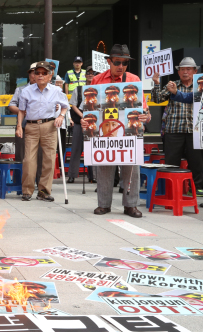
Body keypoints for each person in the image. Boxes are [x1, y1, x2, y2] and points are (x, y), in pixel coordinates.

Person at [80, 44, 151, 218]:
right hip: (105, 131)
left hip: (130, 131)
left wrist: (145, 117)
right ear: (109, 61)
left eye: (125, 63)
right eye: (117, 62)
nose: (121, 66)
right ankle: (104, 204)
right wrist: (85, 120)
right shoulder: (97, 80)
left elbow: (146, 112)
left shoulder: (134, 80)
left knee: (131, 168)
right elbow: (90, 108)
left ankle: (131, 205)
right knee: (104, 167)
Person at [16, 61, 68, 202]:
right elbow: (21, 111)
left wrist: (61, 116)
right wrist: (19, 126)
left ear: (50, 76)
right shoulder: (26, 91)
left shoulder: (56, 90)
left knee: (49, 159)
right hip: (32, 126)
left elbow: (65, 106)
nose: (40, 75)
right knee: (29, 160)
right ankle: (27, 190)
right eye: (37, 73)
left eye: (44, 73)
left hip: (50, 126)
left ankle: (44, 191)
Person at [152, 57, 203, 195]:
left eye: (188, 69)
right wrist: (156, 83)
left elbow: (188, 98)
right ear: (178, 72)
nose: (185, 72)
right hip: (174, 129)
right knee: (171, 162)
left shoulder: (200, 86)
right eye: (182, 69)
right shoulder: (172, 84)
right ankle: (172, 189)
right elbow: (157, 100)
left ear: (195, 71)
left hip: (195, 130)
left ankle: (197, 188)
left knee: (197, 162)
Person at [9, 63, 42, 183]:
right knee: (21, 155)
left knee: (39, 156)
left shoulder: (45, 89)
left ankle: (39, 182)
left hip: (40, 127)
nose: (35, 75)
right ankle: (20, 182)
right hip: (23, 126)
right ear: (29, 75)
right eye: (33, 72)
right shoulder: (21, 89)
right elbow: (11, 105)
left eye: (38, 72)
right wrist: (22, 111)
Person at [67, 66, 96, 183]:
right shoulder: (78, 89)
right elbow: (73, 105)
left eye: (92, 73)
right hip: (80, 122)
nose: (90, 75)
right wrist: (82, 116)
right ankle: (72, 175)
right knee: (76, 149)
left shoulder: (99, 88)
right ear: (85, 75)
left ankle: (93, 176)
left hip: (94, 123)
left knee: (93, 149)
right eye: (88, 73)